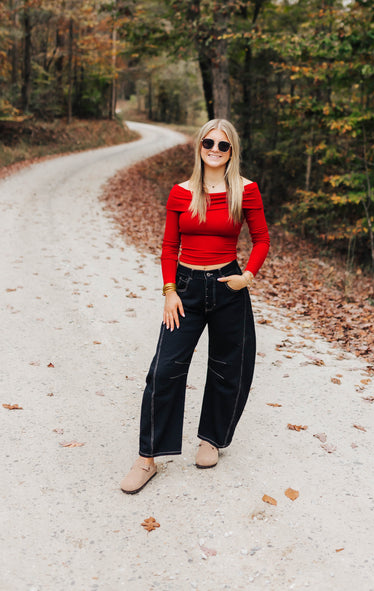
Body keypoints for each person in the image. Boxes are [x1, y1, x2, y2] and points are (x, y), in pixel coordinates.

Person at [120, 118, 270, 494]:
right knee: (164, 369)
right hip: (185, 287)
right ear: (199, 146)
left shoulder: (245, 191)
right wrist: (169, 290)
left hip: (227, 285)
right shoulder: (181, 192)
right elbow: (169, 247)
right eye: (209, 143)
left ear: (232, 150)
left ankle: (211, 440)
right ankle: (147, 458)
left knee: (227, 366)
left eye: (223, 145)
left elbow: (263, 239)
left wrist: (247, 276)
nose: (215, 150)